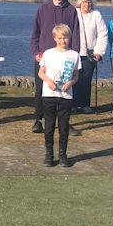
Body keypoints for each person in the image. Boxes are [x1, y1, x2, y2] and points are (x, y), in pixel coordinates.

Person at [29, 0, 80, 133]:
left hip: (65, 57)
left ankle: (65, 122)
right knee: (41, 89)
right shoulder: (42, 9)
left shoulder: (71, 10)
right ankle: (38, 120)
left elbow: (76, 35)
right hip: (44, 56)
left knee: (65, 89)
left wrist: (75, 55)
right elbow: (35, 34)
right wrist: (36, 52)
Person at [38, 24, 81, 167]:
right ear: (55, 38)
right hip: (49, 95)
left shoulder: (74, 55)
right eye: (60, 38)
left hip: (66, 96)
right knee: (49, 126)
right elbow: (41, 73)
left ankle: (63, 154)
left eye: (66, 38)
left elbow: (76, 76)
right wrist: (48, 81)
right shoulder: (48, 53)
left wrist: (70, 83)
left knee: (63, 127)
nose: (63, 41)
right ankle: (48, 154)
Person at [73, 0, 108, 113]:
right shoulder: (74, 13)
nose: (86, 5)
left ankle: (85, 104)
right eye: (84, 3)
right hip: (74, 53)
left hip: (90, 54)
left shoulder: (96, 15)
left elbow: (103, 34)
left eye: (89, 3)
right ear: (80, 3)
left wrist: (99, 52)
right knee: (74, 79)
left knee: (86, 80)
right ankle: (72, 104)